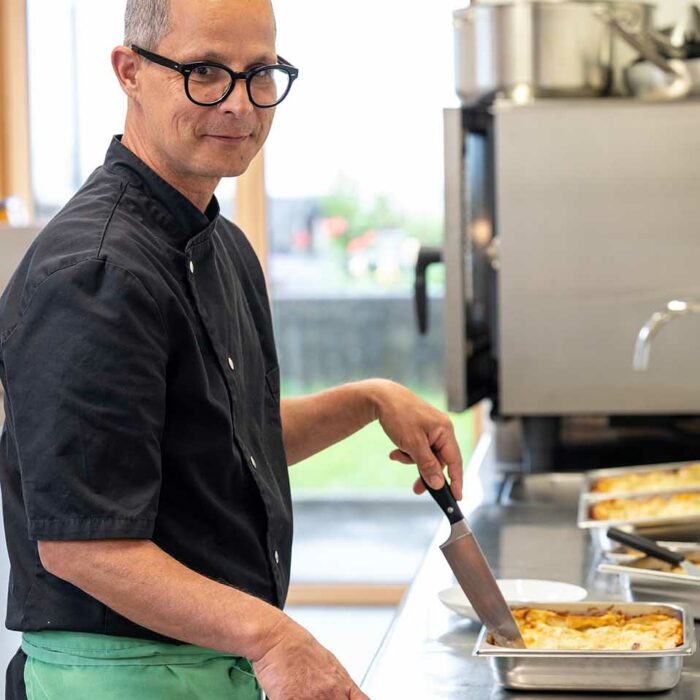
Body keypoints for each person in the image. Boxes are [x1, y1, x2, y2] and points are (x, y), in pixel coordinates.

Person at [0, 0, 463, 697]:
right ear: (130, 71)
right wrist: (274, 636)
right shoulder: (96, 272)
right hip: (118, 678)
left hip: (213, 661)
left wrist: (369, 400)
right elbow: (84, 544)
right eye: (206, 73)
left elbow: (221, 443)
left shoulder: (220, 243)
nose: (241, 106)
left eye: (261, 74)